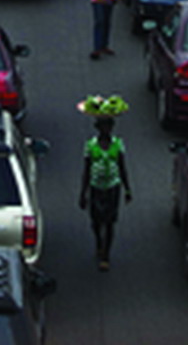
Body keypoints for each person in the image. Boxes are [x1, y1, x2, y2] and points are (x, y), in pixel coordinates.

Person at [78, 114, 131, 271]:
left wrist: (127, 189)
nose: (106, 130)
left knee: (109, 222)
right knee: (96, 221)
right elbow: (86, 170)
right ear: (98, 128)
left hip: (113, 187)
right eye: (103, 127)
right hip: (95, 187)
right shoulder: (90, 145)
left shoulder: (118, 144)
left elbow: (122, 167)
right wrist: (83, 193)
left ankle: (105, 255)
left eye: (108, 127)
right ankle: (99, 243)